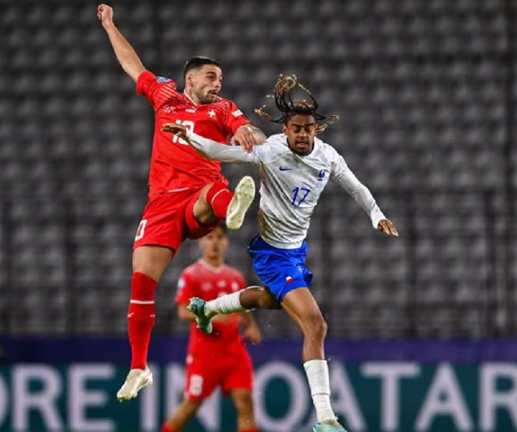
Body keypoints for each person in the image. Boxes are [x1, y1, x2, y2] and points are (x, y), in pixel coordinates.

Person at [163, 75, 398, 432]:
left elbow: (356, 187)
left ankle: (206, 308)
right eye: (295, 128)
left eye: (308, 129)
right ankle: (326, 418)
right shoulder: (271, 151)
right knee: (315, 325)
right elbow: (221, 152)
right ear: (285, 129)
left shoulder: (328, 156)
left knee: (270, 300)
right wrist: (189, 137)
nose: (302, 135)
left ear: (316, 130)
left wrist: (377, 214)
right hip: (273, 253)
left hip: (296, 251)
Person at [96, 4, 267, 400]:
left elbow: (247, 129)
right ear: (189, 78)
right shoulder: (165, 95)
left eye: (221, 78)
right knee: (141, 282)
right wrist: (109, 25)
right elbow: (132, 64)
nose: (218, 83)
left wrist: (249, 134)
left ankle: (232, 209)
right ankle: (139, 367)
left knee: (213, 192)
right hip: (160, 205)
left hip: (199, 197)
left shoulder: (221, 110)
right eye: (211, 76)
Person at [162, 225, 262, 432]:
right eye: (209, 237)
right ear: (201, 242)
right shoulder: (191, 275)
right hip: (205, 351)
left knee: (245, 400)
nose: (214, 242)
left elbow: (242, 307)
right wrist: (214, 315)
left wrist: (251, 325)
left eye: (219, 237)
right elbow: (183, 311)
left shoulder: (235, 277)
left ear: (226, 242)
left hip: (233, 349)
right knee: (192, 405)